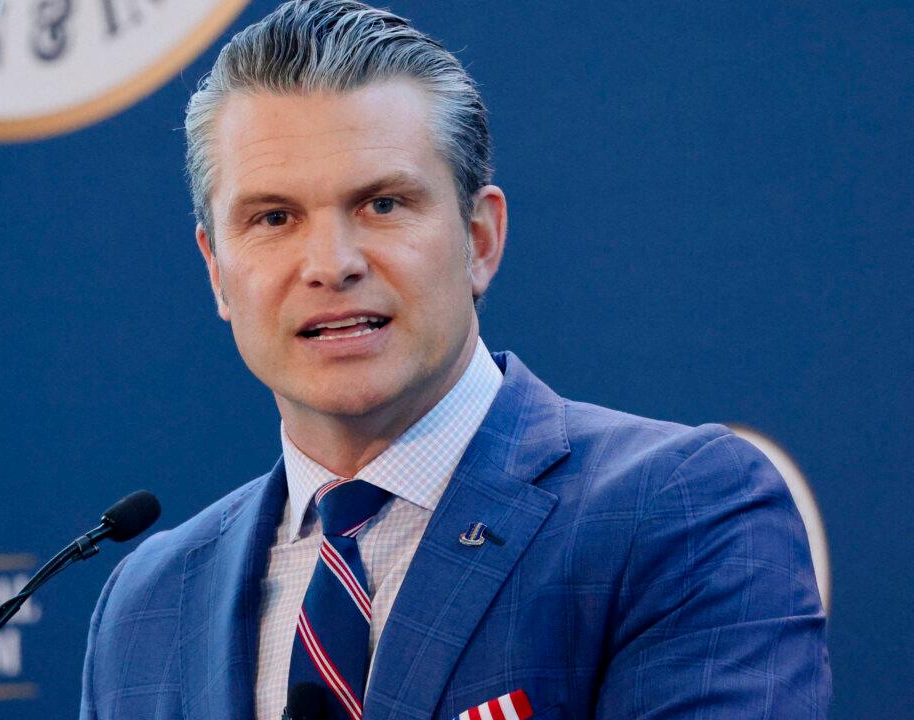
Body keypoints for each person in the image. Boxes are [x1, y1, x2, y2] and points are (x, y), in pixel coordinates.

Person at [79, 2, 831, 718]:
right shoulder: (147, 603)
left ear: (479, 239)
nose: (330, 263)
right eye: (274, 218)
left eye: (382, 205)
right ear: (217, 271)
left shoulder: (681, 511)